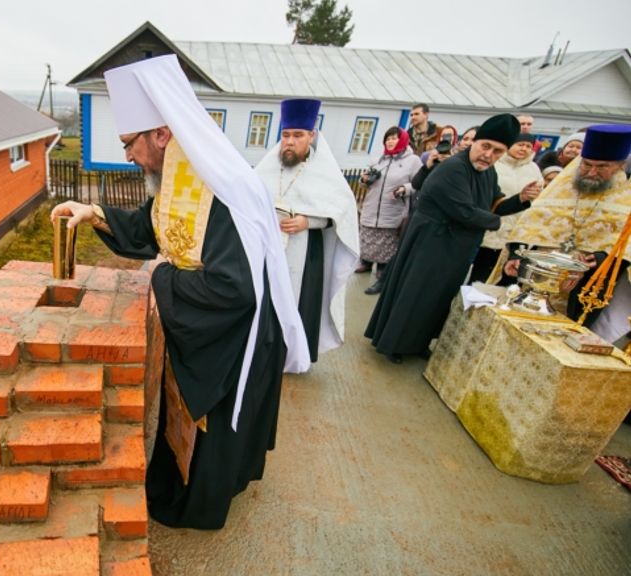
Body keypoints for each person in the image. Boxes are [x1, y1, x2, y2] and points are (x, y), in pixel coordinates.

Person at [50, 55, 309, 530]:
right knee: (184, 422)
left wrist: (160, 277)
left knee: (214, 435)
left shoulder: (220, 188)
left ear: (162, 134)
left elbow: (233, 289)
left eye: (129, 143)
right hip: (210, 329)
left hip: (234, 337)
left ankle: (201, 507)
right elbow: (152, 227)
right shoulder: (179, 176)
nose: (128, 156)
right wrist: (93, 213)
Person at [364, 114, 541, 363]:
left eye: (497, 151)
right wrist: (499, 223)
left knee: (438, 298)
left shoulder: (488, 172)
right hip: (431, 243)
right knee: (416, 294)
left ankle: (418, 343)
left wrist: (521, 199)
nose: (488, 155)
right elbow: (465, 212)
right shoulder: (453, 168)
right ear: (475, 142)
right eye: (485, 146)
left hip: (456, 248)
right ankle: (393, 343)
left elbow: (494, 204)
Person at [502, 124, 631, 341]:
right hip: (535, 282)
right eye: (587, 164)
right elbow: (529, 224)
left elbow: (626, 247)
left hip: (585, 287)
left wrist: (601, 258)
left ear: (620, 166)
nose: (591, 172)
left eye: (602, 167)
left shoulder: (626, 199)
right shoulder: (561, 188)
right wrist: (515, 254)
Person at [254, 98, 360, 362]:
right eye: (286, 135)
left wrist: (308, 221)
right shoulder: (267, 167)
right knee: (265, 301)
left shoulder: (325, 171)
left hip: (304, 254)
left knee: (298, 303)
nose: (290, 141)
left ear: (311, 136)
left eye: (298, 135)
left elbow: (340, 214)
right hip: (268, 249)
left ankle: (291, 356)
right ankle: (263, 352)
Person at [469, 132, 543, 284]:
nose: (524, 149)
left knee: (507, 280)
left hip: (517, 230)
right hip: (491, 228)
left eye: (528, 146)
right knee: (480, 277)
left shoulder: (534, 168)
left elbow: (539, 194)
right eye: (520, 144)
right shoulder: (495, 164)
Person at [356, 127, 422, 294]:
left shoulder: (412, 161)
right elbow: (365, 183)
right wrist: (364, 180)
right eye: (388, 138)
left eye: (394, 138)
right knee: (368, 236)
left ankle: (383, 267)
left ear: (403, 140)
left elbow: (419, 183)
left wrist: (405, 189)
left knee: (387, 240)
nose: (390, 141)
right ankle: (366, 262)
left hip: (393, 207)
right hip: (372, 205)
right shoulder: (379, 159)